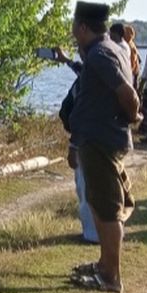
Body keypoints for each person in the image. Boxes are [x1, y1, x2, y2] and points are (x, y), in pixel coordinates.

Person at [67, 0, 140, 293]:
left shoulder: (100, 54)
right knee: (99, 203)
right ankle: (103, 265)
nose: (73, 33)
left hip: (100, 141)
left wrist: (133, 115)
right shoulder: (109, 50)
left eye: (74, 27)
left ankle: (111, 276)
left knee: (108, 209)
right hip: (94, 138)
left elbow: (128, 94)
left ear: (83, 27)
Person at [54, 46, 99, 243]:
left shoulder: (93, 77)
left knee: (86, 186)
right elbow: (79, 68)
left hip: (87, 140)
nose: (79, 52)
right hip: (90, 138)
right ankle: (93, 232)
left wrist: (74, 146)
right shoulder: (91, 71)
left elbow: (82, 114)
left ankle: (92, 234)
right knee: (84, 186)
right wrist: (65, 59)